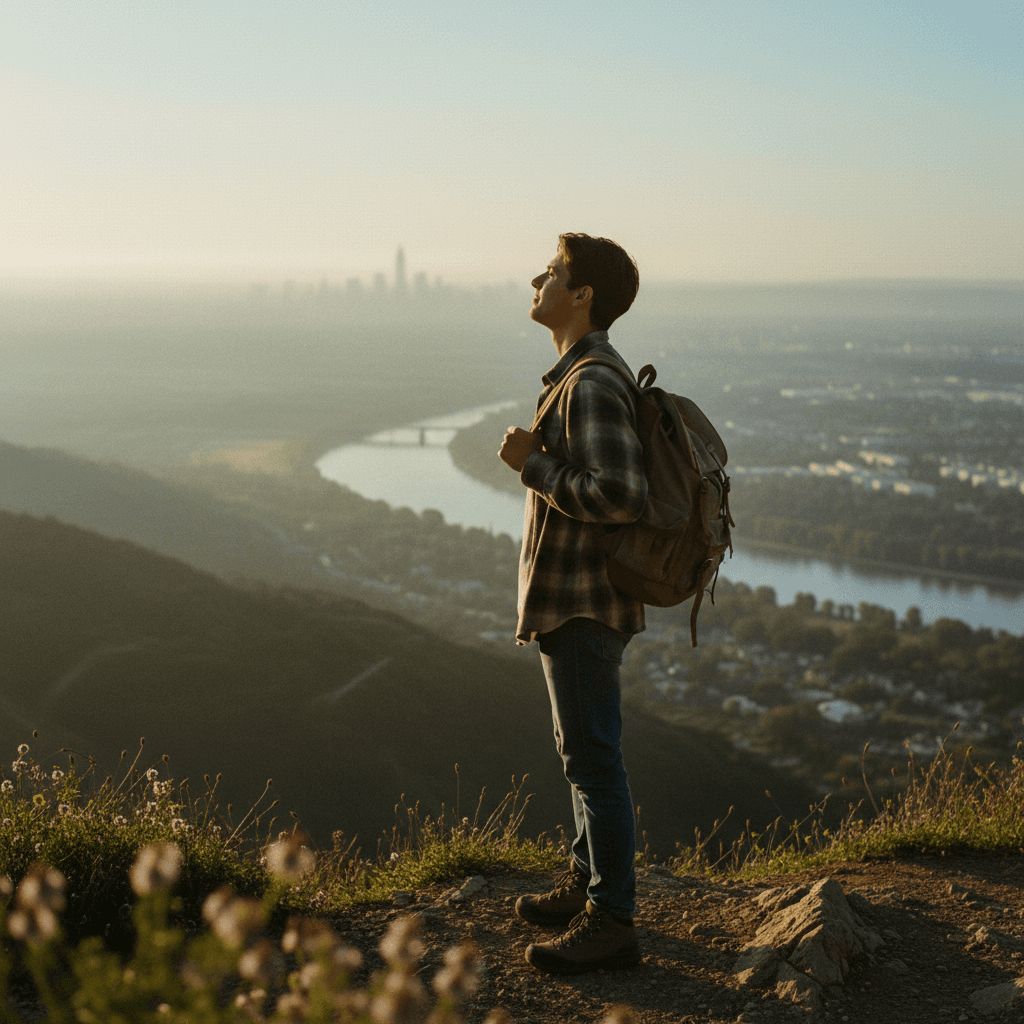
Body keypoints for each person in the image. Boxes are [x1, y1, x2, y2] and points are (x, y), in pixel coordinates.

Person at [497, 233, 645, 975]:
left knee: (595, 760)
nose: (538, 278)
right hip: (574, 601)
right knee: (581, 755)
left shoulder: (589, 381)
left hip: (586, 600)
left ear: (582, 294)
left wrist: (536, 466)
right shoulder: (578, 374)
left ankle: (612, 918)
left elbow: (620, 496)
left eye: (552, 272)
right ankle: (590, 882)